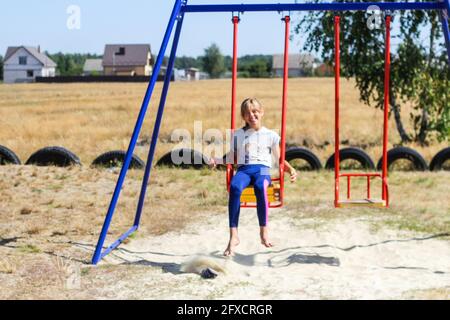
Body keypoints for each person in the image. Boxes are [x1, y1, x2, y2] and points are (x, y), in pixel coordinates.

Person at [210, 98, 297, 256]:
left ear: (261, 112)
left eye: (255, 111)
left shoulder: (271, 135)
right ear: (243, 117)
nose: (252, 115)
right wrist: (217, 160)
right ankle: (234, 235)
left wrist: (290, 169)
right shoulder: (239, 134)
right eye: (247, 113)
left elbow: (279, 159)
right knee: (235, 187)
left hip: (263, 169)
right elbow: (233, 157)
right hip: (244, 169)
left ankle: (263, 231)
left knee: (260, 187)